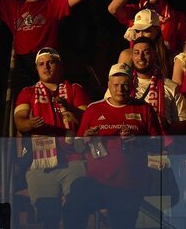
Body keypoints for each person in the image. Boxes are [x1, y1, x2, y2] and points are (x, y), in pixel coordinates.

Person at [63, 62, 162, 229]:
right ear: (109, 85)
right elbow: (77, 148)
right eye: (116, 85)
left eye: (125, 85)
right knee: (76, 195)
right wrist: (86, 138)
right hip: (97, 182)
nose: (120, 89)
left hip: (129, 185)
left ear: (132, 85)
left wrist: (137, 140)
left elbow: (158, 145)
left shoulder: (144, 109)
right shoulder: (93, 109)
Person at [13, 47, 89, 229]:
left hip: (74, 159)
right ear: (37, 69)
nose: (46, 67)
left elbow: (86, 120)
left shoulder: (75, 89)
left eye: (50, 62)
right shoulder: (28, 92)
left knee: (77, 213)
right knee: (48, 217)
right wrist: (31, 124)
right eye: (41, 64)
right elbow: (20, 122)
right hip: (40, 162)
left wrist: (70, 109)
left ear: (60, 66)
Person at [108, 0, 186, 53]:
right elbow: (113, 8)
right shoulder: (136, 11)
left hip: (163, 63)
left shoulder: (177, 17)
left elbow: (183, 49)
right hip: (138, 62)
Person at [127, 36, 186, 132]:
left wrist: (166, 125)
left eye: (146, 53)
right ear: (132, 56)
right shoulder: (121, 86)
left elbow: (184, 124)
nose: (141, 57)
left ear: (154, 55)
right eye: (136, 53)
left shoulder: (172, 87)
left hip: (160, 145)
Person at [116, 9, 174, 78]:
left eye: (146, 31)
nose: (140, 35)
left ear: (157, 30)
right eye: (137, 31)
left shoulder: (171, 57)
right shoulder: (127, 55)